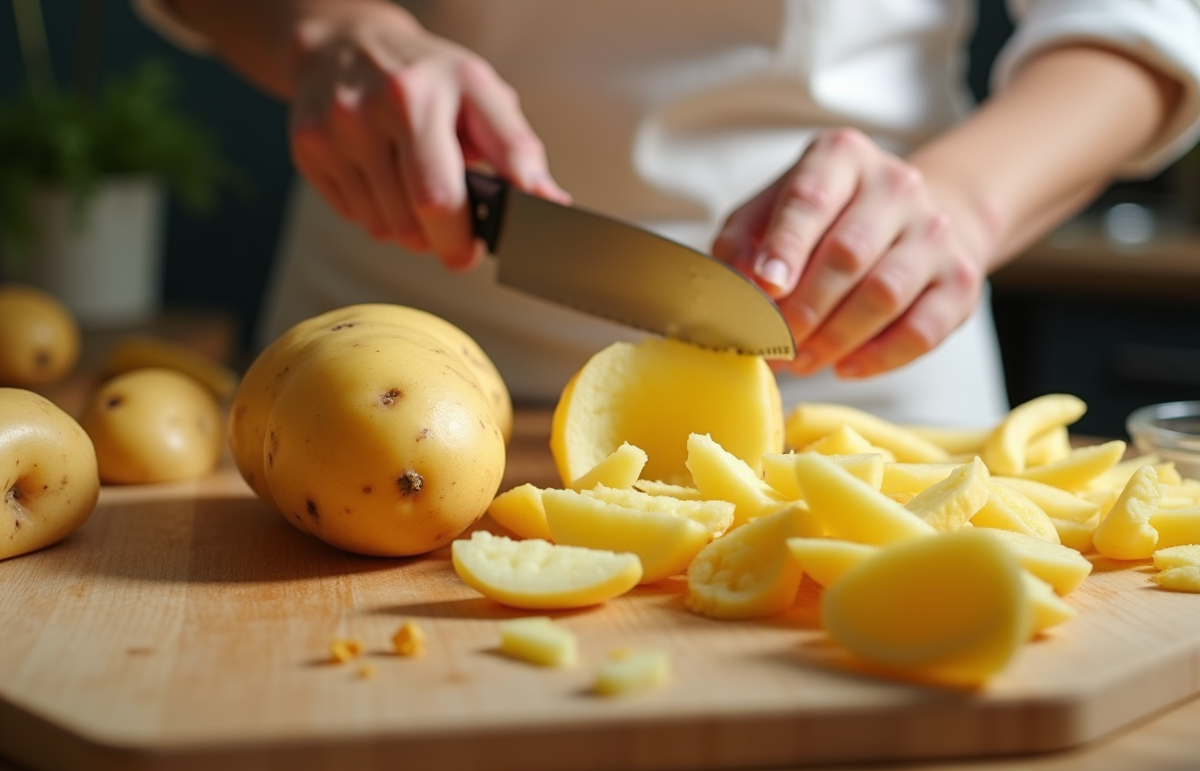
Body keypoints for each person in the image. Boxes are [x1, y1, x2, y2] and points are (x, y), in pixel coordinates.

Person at [136, 0, 1200, 427]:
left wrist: (963, 202)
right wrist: (322, 24)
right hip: (384, 370)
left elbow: (1145, 20)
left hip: (853, 380)